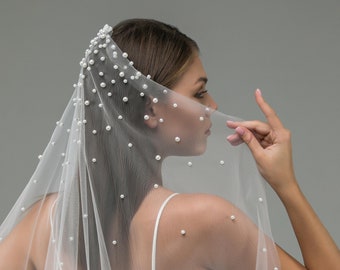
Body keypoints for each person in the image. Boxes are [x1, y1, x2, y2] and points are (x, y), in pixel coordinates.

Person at [0, 18, 339, 270]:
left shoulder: (45, 220)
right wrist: (287, 186)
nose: (213, 106)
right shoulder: (206, 219)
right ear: (151, 110)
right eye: (199, 92)